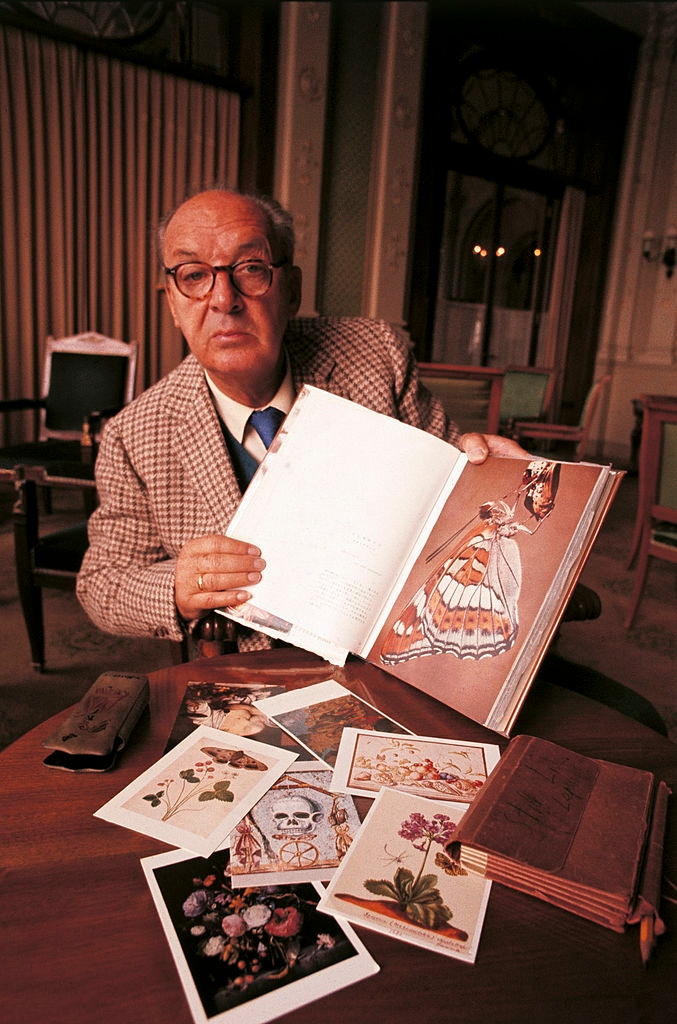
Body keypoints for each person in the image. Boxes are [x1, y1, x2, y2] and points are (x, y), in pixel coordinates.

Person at [76, 187, 525, 651]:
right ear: (172, 301)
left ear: (291, 290)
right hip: (246, 678)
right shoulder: (134, 434)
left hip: (398, 649)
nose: (223, 300)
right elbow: (102, 583)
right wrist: (179, 586)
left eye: (250, 269)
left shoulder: (374, 355)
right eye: (194, 276)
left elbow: (455, 488)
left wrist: (495, 473)